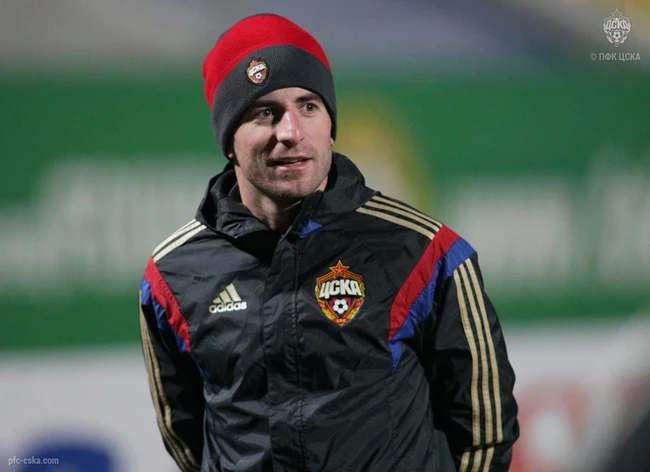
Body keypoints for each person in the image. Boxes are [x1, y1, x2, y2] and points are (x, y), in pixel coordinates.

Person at [139, 13, 519, 472]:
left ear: (331, 126)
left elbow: (485, 432)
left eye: (308, 106)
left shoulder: (427, 252)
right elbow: (187, 437)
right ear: (228, 141)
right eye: (264, 112)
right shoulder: (172, 274)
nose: (290, 132)